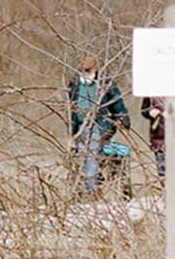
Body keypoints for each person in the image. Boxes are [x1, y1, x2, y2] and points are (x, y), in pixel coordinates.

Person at [67, 54, 128, 195]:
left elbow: (116, 102)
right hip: (80, 126)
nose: (86, 73)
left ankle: (91, 189)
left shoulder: (105, 83)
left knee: (92, 158)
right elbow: (71, 105)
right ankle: (85, 189)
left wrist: (123, 118)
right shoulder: (75, 83)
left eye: (88, 70)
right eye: (84, 70)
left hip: (98, 125)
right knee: (81, 158)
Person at [142, 97, 167, 179]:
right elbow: (144, 110)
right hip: (159, 140)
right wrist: (150, 112)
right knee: (163, 174)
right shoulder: (151, 91)